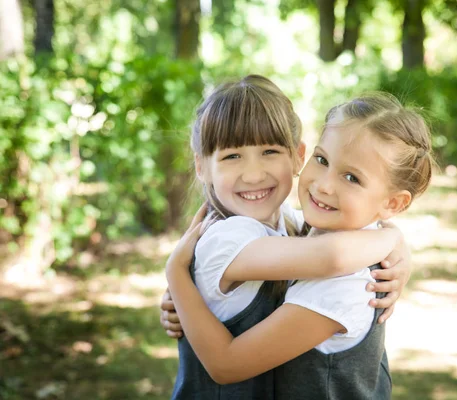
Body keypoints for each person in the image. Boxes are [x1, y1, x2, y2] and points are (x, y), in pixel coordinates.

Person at [166, 92, 434, 399]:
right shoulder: (293, 235)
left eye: (351, 177)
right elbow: (329, 256)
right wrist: (392, 239)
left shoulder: (345, 279)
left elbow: (331, 257)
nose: (323, 185)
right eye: (322, 160)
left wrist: (395, 241)